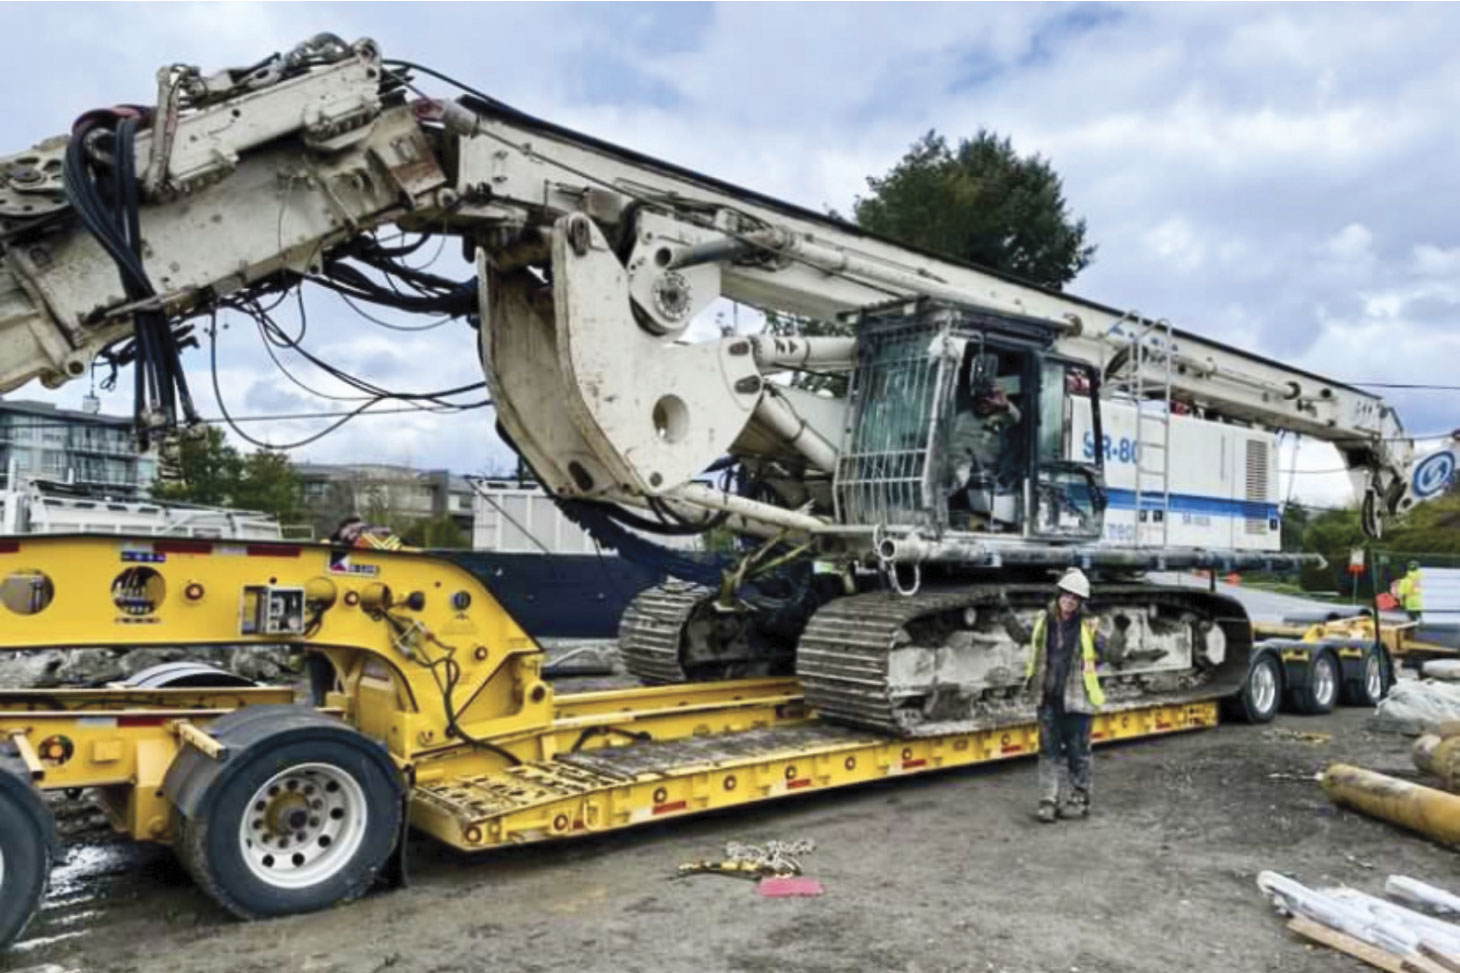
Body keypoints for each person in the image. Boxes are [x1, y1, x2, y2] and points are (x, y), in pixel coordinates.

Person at [1000, 568, 1126, 823]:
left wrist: (1120, 632)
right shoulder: (1043, 620)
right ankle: (1048, 801)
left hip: (1078, 701)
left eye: (1075, 598)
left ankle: (1079, 799)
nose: (1069, 601)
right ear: (1059, 595)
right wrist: (1005, 612)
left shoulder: (1088, 627)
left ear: (1081, 602)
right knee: (1048, 753)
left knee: (1078, 753)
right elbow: (1021, 636)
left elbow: (1113, 655)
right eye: (1066, 595)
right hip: (1048, 699)